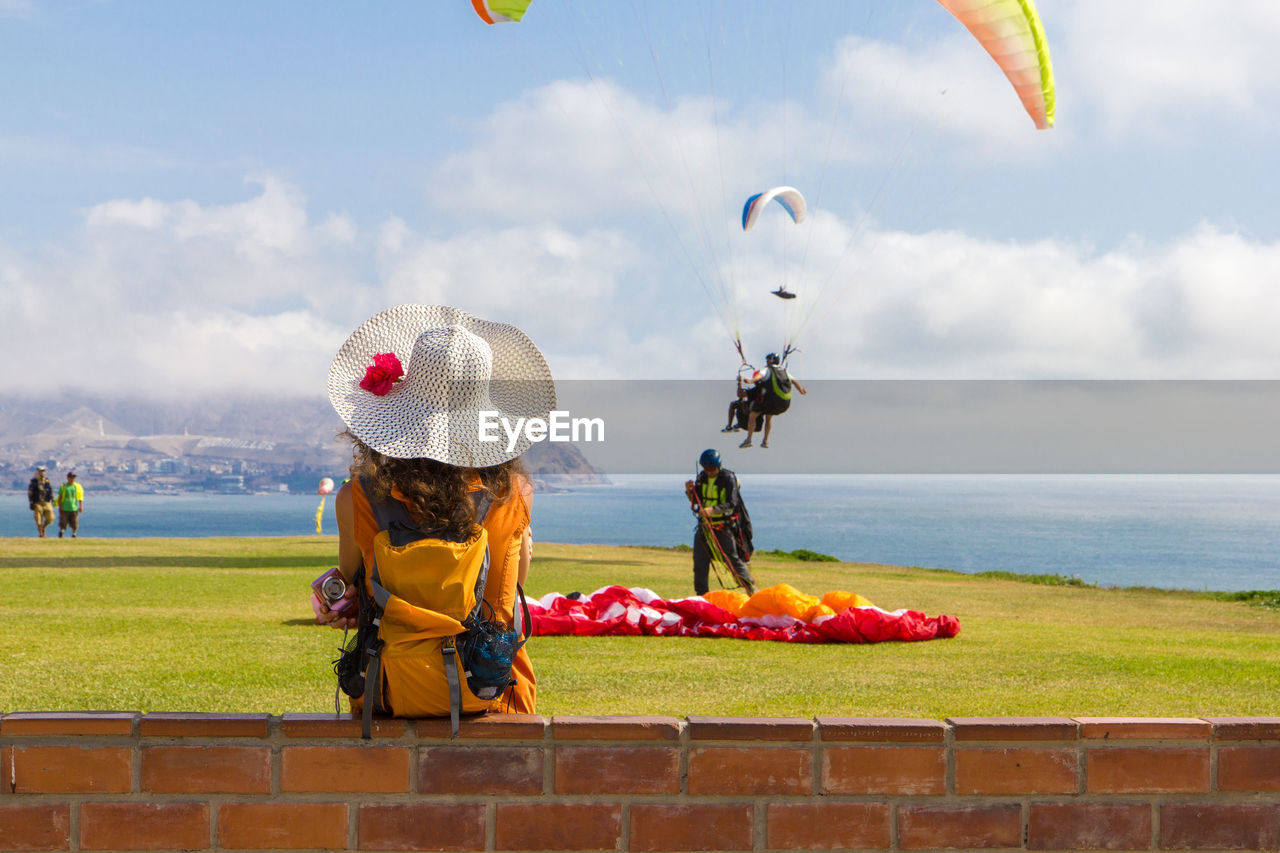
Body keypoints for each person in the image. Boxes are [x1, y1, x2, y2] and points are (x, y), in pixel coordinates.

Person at [315, 304, 556, 717]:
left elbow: (356, 586)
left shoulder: (355, 498)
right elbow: (512, 585)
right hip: (492, 695)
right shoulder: (513, 493)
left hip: (389, 691)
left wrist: (338, 600)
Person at [684, 448, 757, 596]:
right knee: (700, 562)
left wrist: (714, 510)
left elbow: (732, 503)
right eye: (707, 468)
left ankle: (751, 589)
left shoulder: (728, 478)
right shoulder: (701, 478)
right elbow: (695, 501)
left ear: (719, 466)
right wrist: (689, 491)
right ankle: (702, 595)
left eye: (712, 469)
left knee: (732, 559)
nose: (710, 471)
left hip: (724, 527)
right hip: (704, 527)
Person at [739, 352, 806, 449]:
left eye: (768, 359)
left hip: (769, 402)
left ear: (771, 360)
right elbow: (794, 381)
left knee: (752, 415)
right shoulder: (784, 371)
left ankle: (749, 439)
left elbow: (759, 376)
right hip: (783, 404)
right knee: (769, 417)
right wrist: (801, 391)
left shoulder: (767, 369)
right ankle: (765, 441)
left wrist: (750, 381)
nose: (766, 361)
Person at [27, 465, 55, 538]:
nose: (43, 472)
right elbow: (30, 493)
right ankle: (41, 534)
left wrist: (53, 499)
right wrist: (31, 503)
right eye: (41, 471)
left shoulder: (47, 481)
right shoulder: (33, 482)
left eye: (44, 471)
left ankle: (43, 528)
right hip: (37, 503)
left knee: (50, 518)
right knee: (38, 520)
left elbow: (51, 490)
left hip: (46, 502)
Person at [56, 471, 84, 538]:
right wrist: (60, 507)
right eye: (71, 477)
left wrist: (80, 506)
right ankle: (61, 532)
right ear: (68, 478)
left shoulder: (77, 487)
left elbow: (80, 497)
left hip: (74, 508)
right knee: (63, 522)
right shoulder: (63, 486)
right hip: (65, 508)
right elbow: (60, 497)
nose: (72, 479)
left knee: (74, 522)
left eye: (74, 477)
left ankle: (74, 534)